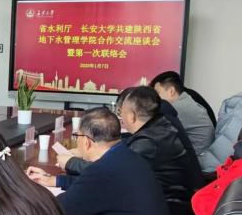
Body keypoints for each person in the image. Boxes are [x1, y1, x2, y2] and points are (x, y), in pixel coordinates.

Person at [27, 108, 173, 215]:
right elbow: (99, 187)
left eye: (77, 136)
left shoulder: (104, 170)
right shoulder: (125, 156)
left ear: (86, 142)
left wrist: (27, 196)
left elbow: (60, 209)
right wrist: (56, 181)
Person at [58, 87, 202, 202]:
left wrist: (71, 163)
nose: (120, 117)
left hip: (168, 206)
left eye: (121, 112)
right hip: (162, 197)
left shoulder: (148, 143)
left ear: (132, 116)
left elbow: (110, 173)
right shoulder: (159, 126)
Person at [151, 71, 214, 153]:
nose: (155, 99)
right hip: (202, 154)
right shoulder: (186, 100)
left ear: (171, 91)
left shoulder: (178, 108)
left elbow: (155, 134)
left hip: (198, 158)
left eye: (158, 93)